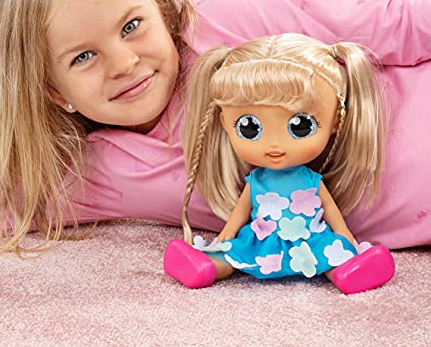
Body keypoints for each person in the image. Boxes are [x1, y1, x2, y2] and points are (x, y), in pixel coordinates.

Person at [0, 0, 430, 254]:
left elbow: (403, 22)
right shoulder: (93, 173)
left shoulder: (230, 20)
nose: (124, 64)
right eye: (82, 57)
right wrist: (14, 78)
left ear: (161, 7)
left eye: (131, 26)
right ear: (52, 90)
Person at [163, 33, 395, 292]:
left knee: (331, 252)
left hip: (309, 237)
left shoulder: (311, 180)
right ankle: (204, 267)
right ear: (226, 125)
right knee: (233, 252)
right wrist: (228, 233)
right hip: (263, 238)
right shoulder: (256, 181)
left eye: (300, 126)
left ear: (336, 122)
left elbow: (330, 209)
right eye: (249, 127)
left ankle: (349, 273)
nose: (274, 144)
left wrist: (344, 235)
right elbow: (241, 211)